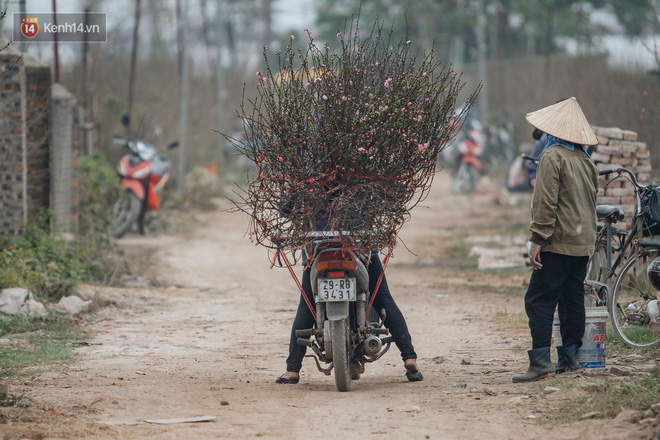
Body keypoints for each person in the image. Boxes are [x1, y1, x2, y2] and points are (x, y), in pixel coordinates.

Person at [275, 183, 422, 384]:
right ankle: (409, 358)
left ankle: (292, 370)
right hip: (358, 243)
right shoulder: (364, 168)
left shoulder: (307, 170)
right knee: (382, 298)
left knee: (308, 304)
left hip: (319, 245)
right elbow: (395, 196)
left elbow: (285, 208)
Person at [512, 97, 599, 383]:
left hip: (558, 242)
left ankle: (539, 361)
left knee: (538, 299)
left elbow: (545, 203)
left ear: (555, 130)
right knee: (572, 297)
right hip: (582, 242)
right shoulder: (586, 160)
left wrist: (537, 239)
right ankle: (569, 357)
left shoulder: (552, 157)